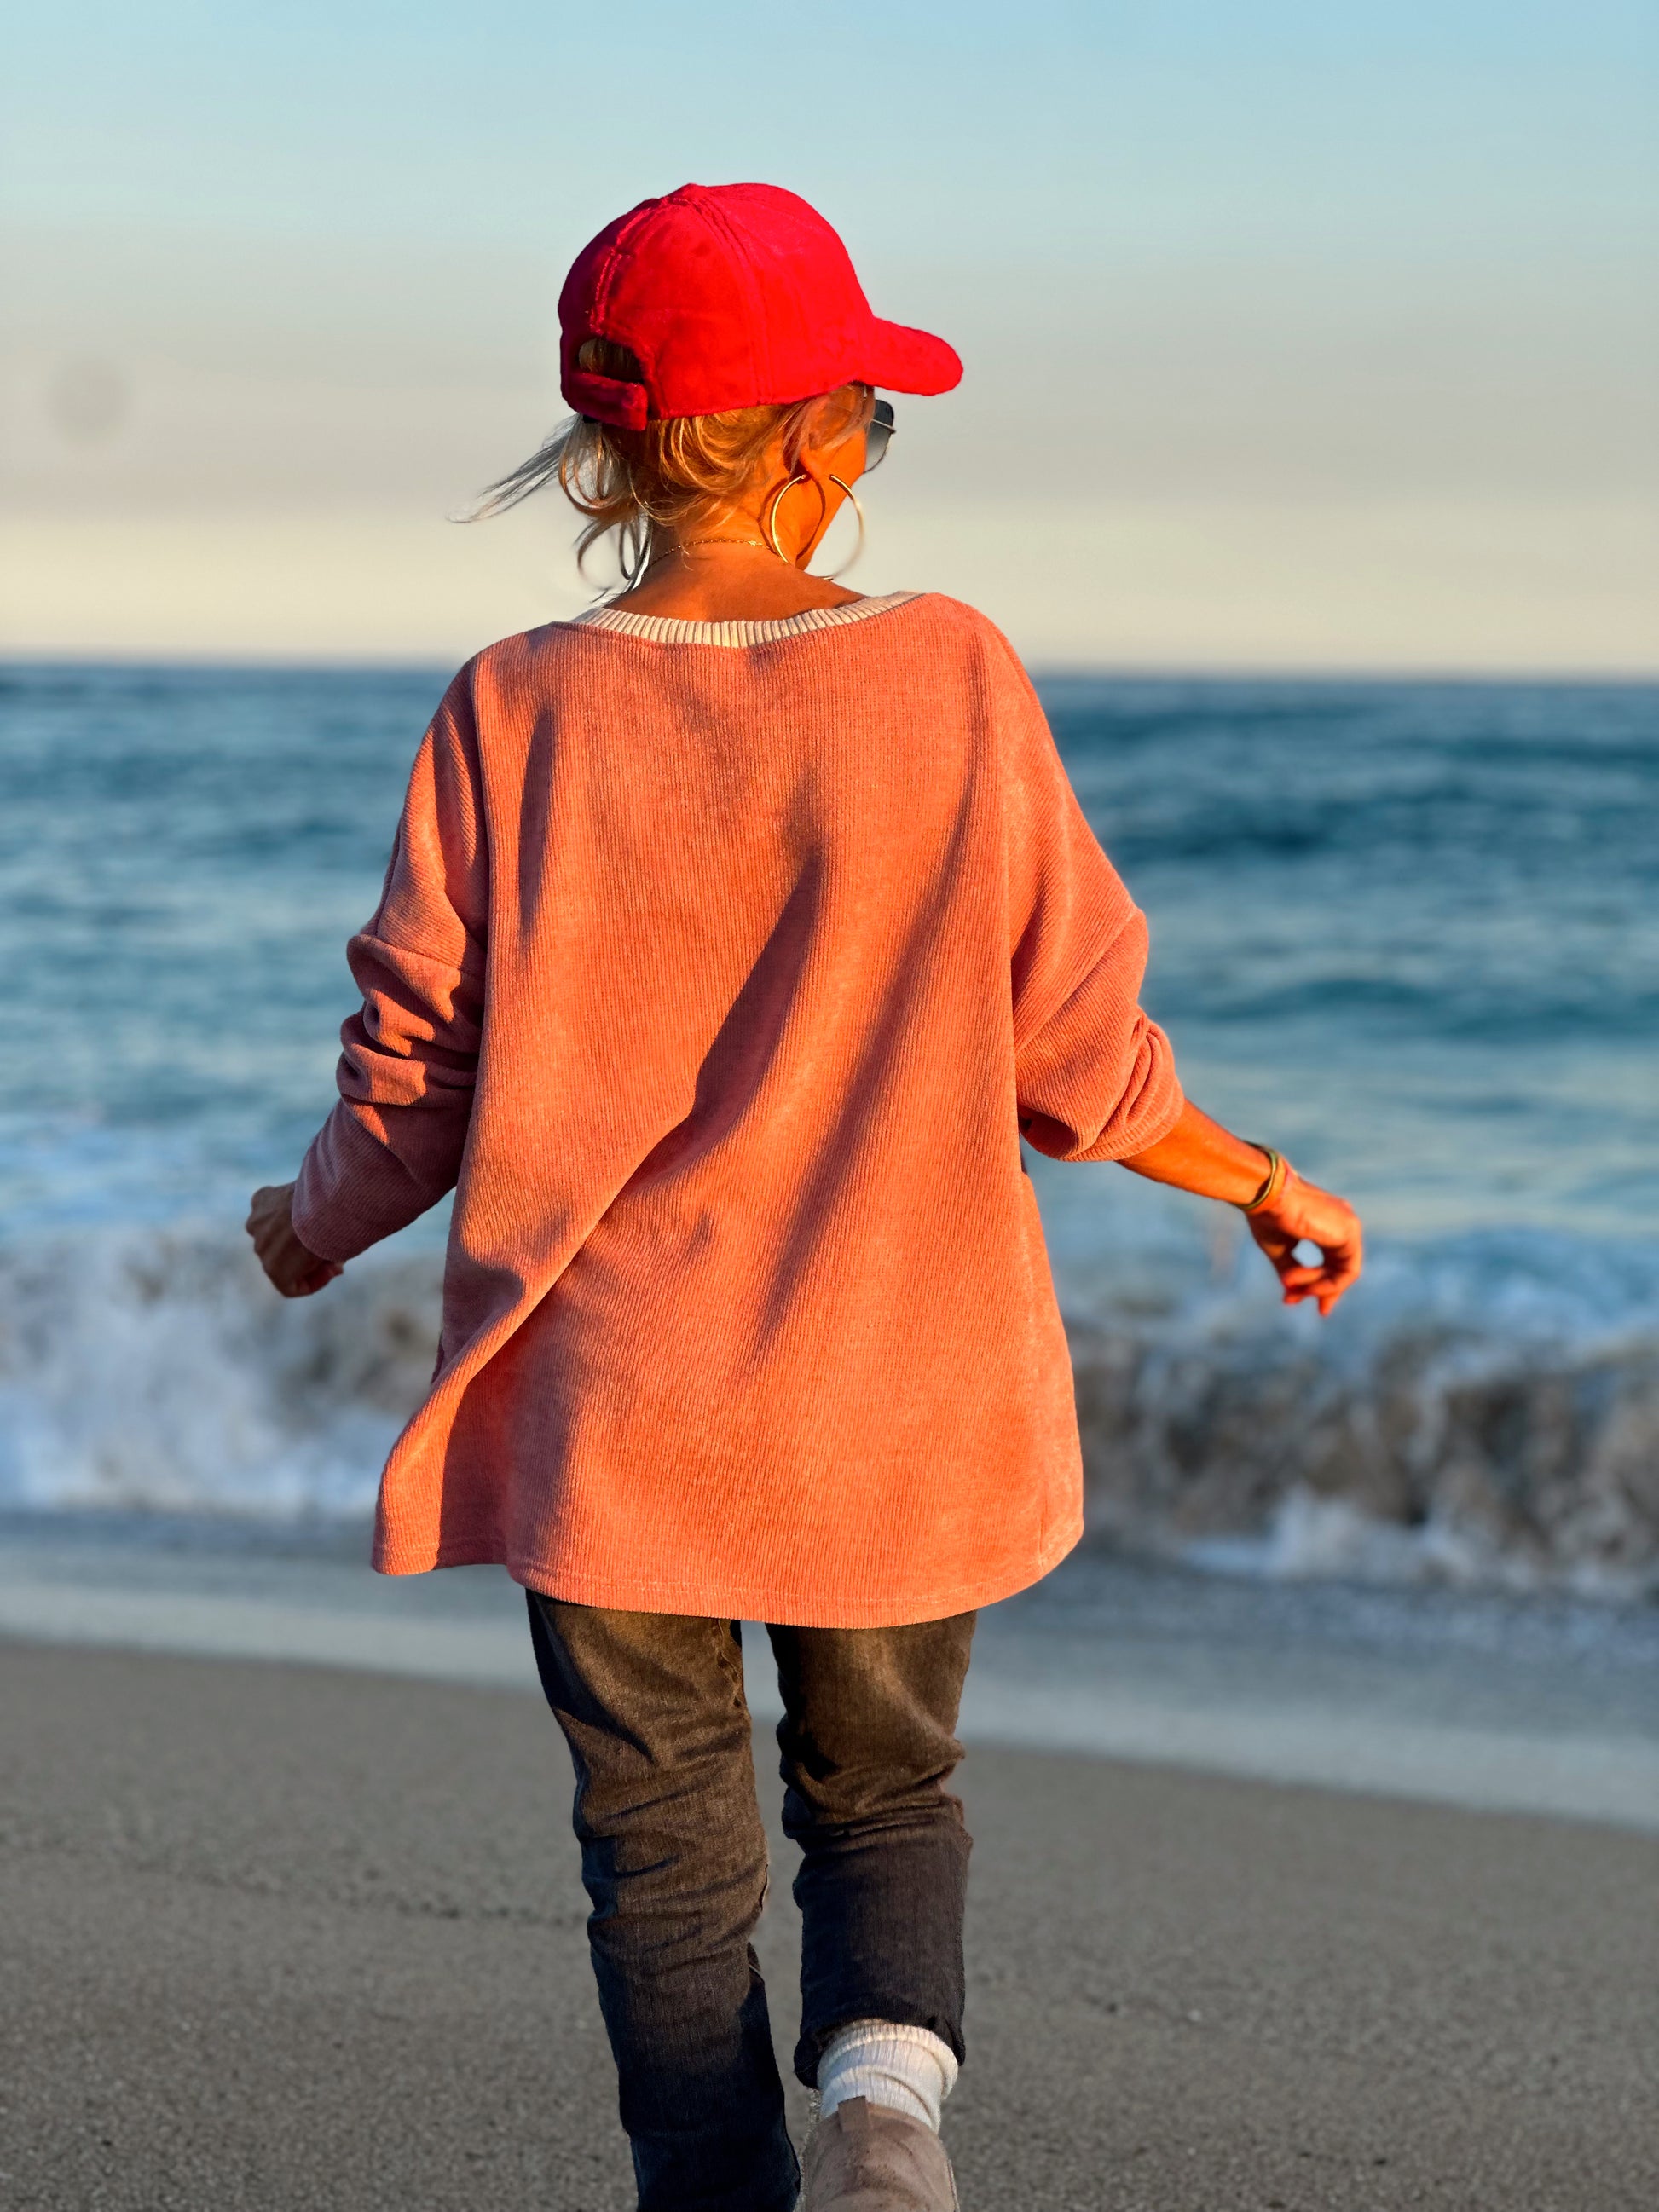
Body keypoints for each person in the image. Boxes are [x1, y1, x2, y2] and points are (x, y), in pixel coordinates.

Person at [246, 182, 1363, 2212]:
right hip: (896, 1390)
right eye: (867, 416)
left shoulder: (512, 703)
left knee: (661, 1850)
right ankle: (884, 2104)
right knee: (883, 1790)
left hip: (614, 1415)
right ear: (813, 441)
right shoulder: (948, 671)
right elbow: (1070, 1048)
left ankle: (713, 2189)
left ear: (603, 455)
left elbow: (414, 1078)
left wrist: (310, 1226)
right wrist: (1261, 1180)